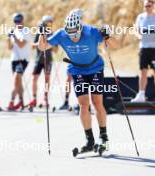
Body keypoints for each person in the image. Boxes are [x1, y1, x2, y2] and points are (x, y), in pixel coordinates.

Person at [38, 13, 119, 151]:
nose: (73, 37)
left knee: (97, 102)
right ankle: (90, 140)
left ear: (80, 28)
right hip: (77, 71)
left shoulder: (91, 32)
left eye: (76, 34)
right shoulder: (61, 34)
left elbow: (116, 45)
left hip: (95, 69)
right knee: (83, 104)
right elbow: (43, 47)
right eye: (70, 34)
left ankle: (104, 136)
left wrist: (107, 35)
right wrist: (42, 34)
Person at [132, 0, 155, 102]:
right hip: (143, 48)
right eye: (145, 6)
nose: (147, 7)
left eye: (149, 5)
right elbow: (136, 30)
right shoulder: (140, 17)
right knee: (143, 71)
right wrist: (139, 36)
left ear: (153, 6)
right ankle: (141, 95)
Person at [27, 15, 57, 107]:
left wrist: (53, 44)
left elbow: (56, 51)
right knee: (34, 78)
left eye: (51, 22)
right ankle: (34, 98)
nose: (49, 24)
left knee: (47, 79)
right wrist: (41, 43)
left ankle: (45, 98)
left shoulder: (53, 34)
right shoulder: (39, 33)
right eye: (48, 22)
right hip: (38, 59)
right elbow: (32, 46)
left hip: (48, 60)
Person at [59, 8, 84, 110]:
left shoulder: (82, 29)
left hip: (82, 60)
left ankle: (80, 104)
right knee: (69, 79)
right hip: (72, 60)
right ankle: (66, 101)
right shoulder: (70, 27)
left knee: (80, 80)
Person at [7, 13, 32, 110]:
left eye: (19, 20)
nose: (18, 23)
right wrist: (9, 37)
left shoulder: (26, 31)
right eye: (15, 21)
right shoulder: (14, 31)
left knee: (16, 79)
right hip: (14, 59)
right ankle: (21, 102)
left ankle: (11, 102)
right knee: (19, 81)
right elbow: (9, 47)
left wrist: (14, 36)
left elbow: (21, 44)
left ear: (23, 20)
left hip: (23, 59)